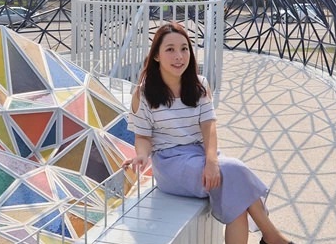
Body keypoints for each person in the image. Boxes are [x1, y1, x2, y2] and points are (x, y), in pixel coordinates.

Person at [123, 22, 294, 244]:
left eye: (184, 48)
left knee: (236, 198)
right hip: (170, 163)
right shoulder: (144, 93)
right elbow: (143, 137)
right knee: (234, 172)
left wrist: (211, 161)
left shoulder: (200, 85)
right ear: (156, 55)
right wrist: (141, 156)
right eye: (170, 49)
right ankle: (272, 237)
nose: (179, 56)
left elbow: (209, 127)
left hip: (201, 154)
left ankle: (272, 238)